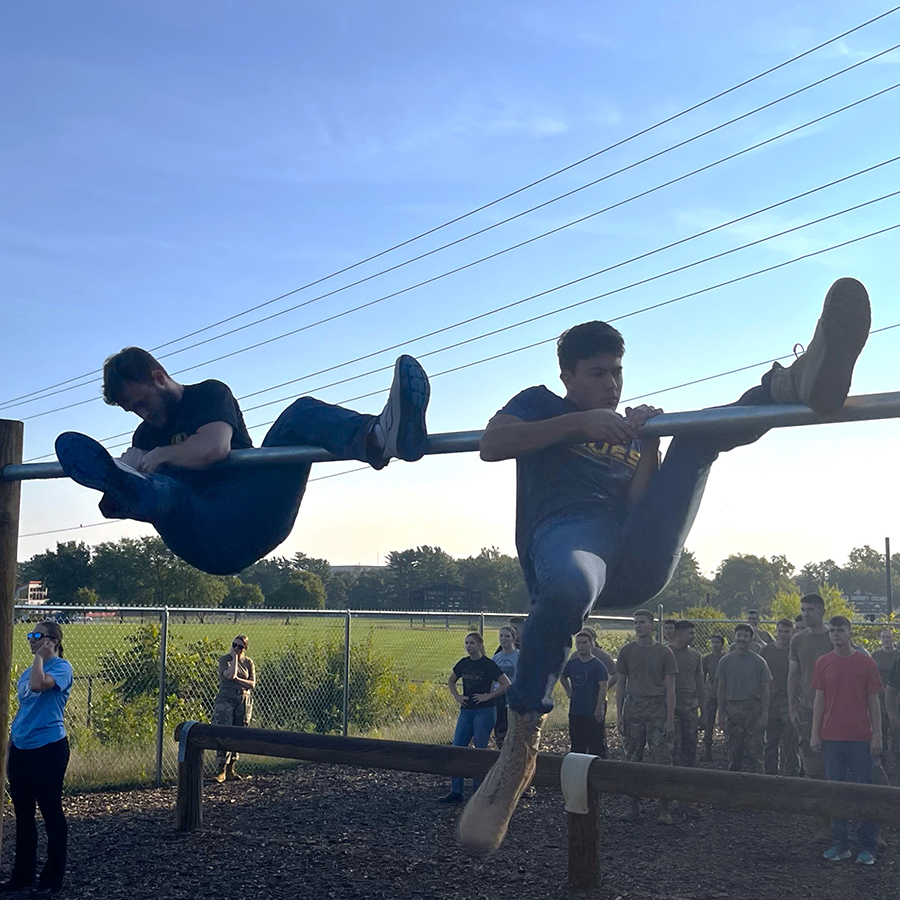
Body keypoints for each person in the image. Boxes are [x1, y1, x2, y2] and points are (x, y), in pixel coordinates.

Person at [459, 278, 871, 851]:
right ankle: (521, 746)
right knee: (571, 584)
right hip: (569, 542)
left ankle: (793, 383)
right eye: (598, 373)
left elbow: (637, 505)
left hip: (636, 555)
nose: (612, 384)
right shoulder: (542, 406)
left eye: (618, 372)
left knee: (695, 436)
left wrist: (647, 444)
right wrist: (582, 424)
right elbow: (493, 442)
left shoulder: (626, 429)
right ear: (568, 377)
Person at [54, 349, 429, 576]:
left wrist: (154, 459)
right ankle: (131, 486)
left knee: (298, 414)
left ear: (158, 377)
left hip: (252, 512)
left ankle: (382, 437)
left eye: (141, 402)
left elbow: (214, 447)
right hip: (203, 536)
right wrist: (134, 469)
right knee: (166, 495)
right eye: (131, 410)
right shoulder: (144, 437)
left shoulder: (208, 395)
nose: (140, 415)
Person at [0, 622, 73, 897]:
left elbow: (39, 686)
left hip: (49, 748)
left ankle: (52, 878)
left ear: (52, 641)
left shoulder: (61, 668)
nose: (31, 640)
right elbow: (24, 710)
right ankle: (22, 876)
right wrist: (10, 749)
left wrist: (41, 657)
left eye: (37, 636)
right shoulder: (27, 672)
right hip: (22, 748)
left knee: (51, 811)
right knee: (23, 815)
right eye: (30, 636)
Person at [811, 616, 882, 865]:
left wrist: (877, 734)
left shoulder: (866, 663)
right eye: (832, 631)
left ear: (850, 633)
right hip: (831, 737)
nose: (836, 634)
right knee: (836, 791)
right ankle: (841, 843)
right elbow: (819, 699)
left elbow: (874, 701)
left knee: (865, 791)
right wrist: (814, 732)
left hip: (860, 737)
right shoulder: (823, 663)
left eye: (840, 630)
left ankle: (868, 845)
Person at [616, 609, 677, 824]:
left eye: (642, 622)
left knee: (662, 759)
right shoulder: (627, 652)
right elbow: (621, 685)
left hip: (657, 710)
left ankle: (664, 808)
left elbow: (670, 689)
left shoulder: (664, 653)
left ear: (652, 625)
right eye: (635, 623)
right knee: (632, 758)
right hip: (634, 710)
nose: (638, 626)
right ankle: (633, 806)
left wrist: (669, 718)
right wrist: (619, 715)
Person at [440, 633, 511, 803]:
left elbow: (506, 683)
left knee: (480, 749)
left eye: (472, 643)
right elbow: (451, 681)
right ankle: (456, 790)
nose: (468, 646)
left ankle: (478, 791)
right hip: (467, 710)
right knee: (457, 747)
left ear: (479, 645)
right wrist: (457, 696)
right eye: (466, 643)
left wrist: (489, 696)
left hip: (485, 711)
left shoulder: (488, 664)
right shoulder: (463, 663)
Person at [788, 594, 833, 788]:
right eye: (803, 610)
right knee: (809, 755)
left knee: (833, 755)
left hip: (833, 706)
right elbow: (793, 675)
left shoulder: (833, 637)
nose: (806, 614)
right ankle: (818, 808)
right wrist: (792, 708)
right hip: (806, 706)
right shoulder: (797, 640)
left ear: (822, 610)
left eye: (811, 609)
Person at [716, 624, 772, 773]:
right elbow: (721, 688)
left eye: (745, 636)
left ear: (751, 638)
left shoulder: (759, 662)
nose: (742, 639)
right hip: (732, 711)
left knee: (755, 753)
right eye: (739, 635)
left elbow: (765, 689)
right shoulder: (725, 661)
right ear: (734, 637)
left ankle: (759, 787)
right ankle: (734, 789)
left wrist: (765, 714)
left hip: (753, 710)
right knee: (734, 753)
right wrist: (720, 713)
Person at [213, 635, 256, 783]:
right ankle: (221, 769)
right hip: (226, 699)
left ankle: (232, 767)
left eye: (240, 647)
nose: (237, 648)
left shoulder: (249, 662)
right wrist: (235, 658)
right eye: (234, 645)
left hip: (243, 700)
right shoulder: (225, 660)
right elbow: (229, 675)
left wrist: (238, 680)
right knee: (224, 731)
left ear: (245, 648)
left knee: (239, 732)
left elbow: (251, 684)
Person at [760, 619, 800, 776]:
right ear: (776, 632)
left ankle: (792, 775)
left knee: (790, 742)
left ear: (792, 633)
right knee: (770, 741)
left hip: (790, 700)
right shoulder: (766, 651)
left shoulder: (795, 651)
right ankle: (770, 774)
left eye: (787, 632)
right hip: (770, 701)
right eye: (781, 631)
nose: (783, 635)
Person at [560, 630, 609, 757]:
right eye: (579, 643)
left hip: (592, 710)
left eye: (584, 643)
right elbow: (562, 677)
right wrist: (568, 690)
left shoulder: (598, 666)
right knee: (577, 744)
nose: (581, 646)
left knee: (596, 745)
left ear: (591, 644)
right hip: (576, 710)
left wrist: (599, 708)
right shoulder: (572, 664)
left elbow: (603, 687)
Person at [669, 620, 704, 771]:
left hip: (689, 704)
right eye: (690, 633)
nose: (693, 636)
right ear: (679, 633)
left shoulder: (695, 655)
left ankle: (689, 777)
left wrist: (703, 711)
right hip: (670, 703)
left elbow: (700, 684)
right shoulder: (665, 652)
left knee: (690, 743)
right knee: (672, 744)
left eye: (693, 633)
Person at [872, 628, 900, 778]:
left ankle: (895, 762)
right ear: (881, 639)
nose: (887, 639)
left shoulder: (898, 655)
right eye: (884, 637)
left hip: (897, 699)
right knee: (881, 730)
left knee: (896, 733)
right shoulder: (875, 656)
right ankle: (881, 764)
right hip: (880, 697)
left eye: (889, 637)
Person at [492, 626, 521, 749]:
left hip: (514, 695)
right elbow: (492, 680)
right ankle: (501, 749)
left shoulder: (520, 656)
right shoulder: (496, 658)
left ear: (513, 639)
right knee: (500, 725)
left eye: (507, 636)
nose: (504, 639)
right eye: (501, 636)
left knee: (513, 725)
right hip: (499, 695)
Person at [701, 634, 725, 761]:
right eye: (713, 642)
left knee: (726, 721)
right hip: (710, 694)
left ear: (722, 644)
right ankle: (707, 750)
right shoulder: (706, 659)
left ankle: (728, 749)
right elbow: (702, 677)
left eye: (717, 642)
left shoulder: (726, 658)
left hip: (724, 694)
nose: (715, 645)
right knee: (708, 722)